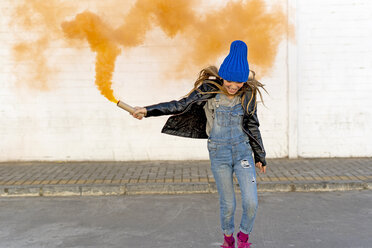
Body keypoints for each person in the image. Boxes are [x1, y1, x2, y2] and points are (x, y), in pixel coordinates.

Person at [132, 40, 267, 248]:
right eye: (229, 81)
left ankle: (244, 238)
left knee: (251, 202)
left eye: (238, 82)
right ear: (222, 76)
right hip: (219, 154)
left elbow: (253, 126)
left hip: (243, 153)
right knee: (228, 204)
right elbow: (180, 105)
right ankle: (228, 239)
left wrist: (260, 156)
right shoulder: (208, 90)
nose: (233, 86)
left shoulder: (247, 95)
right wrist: (148, 110)